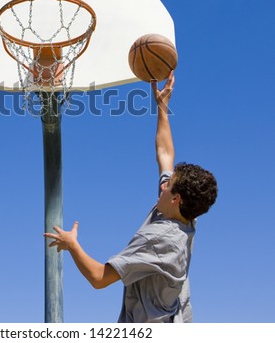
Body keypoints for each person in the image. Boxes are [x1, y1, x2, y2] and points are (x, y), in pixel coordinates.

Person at [44, 72, 218, 323]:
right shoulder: (184, 214)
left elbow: (98, 278)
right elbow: (165, 152)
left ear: (176, 198)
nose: (164, 183)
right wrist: (162, 108)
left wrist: (72, 245)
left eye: (169, 184)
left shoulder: (161, 239)